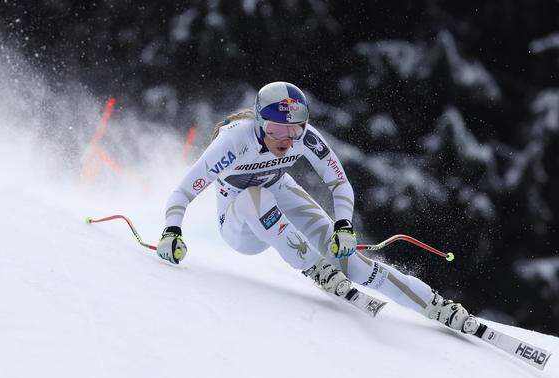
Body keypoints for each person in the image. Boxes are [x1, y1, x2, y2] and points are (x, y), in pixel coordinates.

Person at [156, 81, 479, 334]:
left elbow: (339, 183)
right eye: (275, 130)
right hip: (239, 223)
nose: (285, 139)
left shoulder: (307, 138)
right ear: (258, 122)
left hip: (278, 189)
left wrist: (343, 226)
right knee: (256, 196)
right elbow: (183, 191)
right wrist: (172, 231)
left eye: (294, 130)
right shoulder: (234, 141)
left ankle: (433, 304)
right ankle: (314, 267)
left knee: (353, 263)